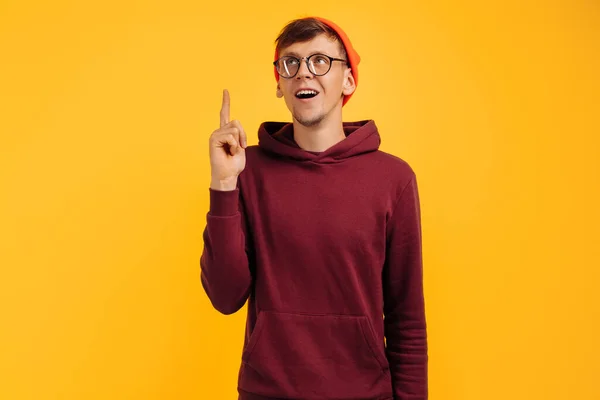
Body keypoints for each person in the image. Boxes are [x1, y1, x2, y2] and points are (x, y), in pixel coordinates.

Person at [201, 16, 428, 400]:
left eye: (320, 61)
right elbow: (225, 297)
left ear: (348, 80)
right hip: (266, 392)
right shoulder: (247, 168)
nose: (304, 72)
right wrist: (223, 183)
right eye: (291, 63)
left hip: (364, 393)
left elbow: (407, 321)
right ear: (279, 84)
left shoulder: (394, 179)